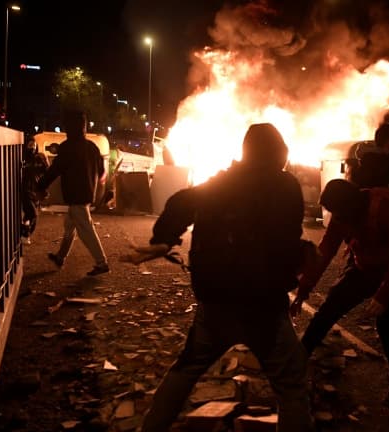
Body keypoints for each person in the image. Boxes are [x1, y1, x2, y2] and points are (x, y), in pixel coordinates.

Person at [128, 123, 314, 432]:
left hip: (216, 300)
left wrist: (162, 240)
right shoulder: (285, 186)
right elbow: (285, 241)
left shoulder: (224, 182)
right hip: (264, 305)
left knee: (187, 369)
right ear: (279, 153)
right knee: (291, 383)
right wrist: (301, 258)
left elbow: (181, 202)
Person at [290, 178, 389, 402]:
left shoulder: (383, 208)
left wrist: (383, 295)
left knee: (387, 327)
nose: (336, 219)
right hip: (362, 269)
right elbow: (325, 251)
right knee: (329, 309)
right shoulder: (342, 214)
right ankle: (297, 360)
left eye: (337, 212)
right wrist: (304, 289)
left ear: (350, 205)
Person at [37, 109, 110, 276]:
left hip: (76, 195)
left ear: (69, 127)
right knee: (70, 226)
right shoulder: (92, 147)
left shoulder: (67, 147)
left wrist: (41, 186)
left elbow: (54, 170)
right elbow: (102, 172)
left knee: (86, 228)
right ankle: (60, 257)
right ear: (84, 127)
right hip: (86, 194)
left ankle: (102, 263)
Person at [20, 137, 49, 244]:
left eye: (34, 146)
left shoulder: (39, 158)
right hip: (25, 190)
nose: (32, 147)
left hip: (35, 191)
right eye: (30, 145)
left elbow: (46, 171)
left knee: (33, 217)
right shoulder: (23, 158)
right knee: (32, 213)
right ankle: (24, 234)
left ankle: (24, 232)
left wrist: (44, 160)